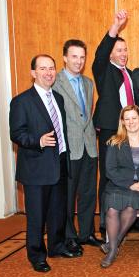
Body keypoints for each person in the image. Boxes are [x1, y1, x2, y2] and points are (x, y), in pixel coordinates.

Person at [9, 54, 81, 272]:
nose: (48, 73)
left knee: (57, 211)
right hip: (36, 167)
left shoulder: (58, 98)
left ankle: (56, 247)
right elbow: (17, 133)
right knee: (37, 216)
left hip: (59, 163)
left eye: (51, 68)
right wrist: (38, 141)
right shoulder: (21, 101)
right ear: (33, 73)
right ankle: (36, 255)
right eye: (43, 69)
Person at [53, 40, 102, 252]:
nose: (78, 61)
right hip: (69, 147)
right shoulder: (55, 82)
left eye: (82, 57)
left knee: (88, 193)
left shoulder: (88, 83)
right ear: (65, 58)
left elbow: (86, 115)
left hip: (89, 146)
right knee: (68, 195)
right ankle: (69, 236)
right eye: (74, 56)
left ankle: (86, 233)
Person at [92, 10, 135, 235]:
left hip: (130, 130)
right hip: (111, 129)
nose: (123, 53)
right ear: (110, 53)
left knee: (127, 173)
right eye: (118, 50)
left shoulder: (129, 74)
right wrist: (115, 28)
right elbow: (100, 54)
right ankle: (104, 224)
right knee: (109, 174)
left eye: (125, 49)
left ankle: (124, 217)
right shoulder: (104, 70)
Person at [100, 105, 139, 268]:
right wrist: (130, 185)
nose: (131, 122)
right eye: (127, 119)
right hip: (118, 185)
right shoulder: (115, 142)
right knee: (112, 208)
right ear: (122, 122)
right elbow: (110, 170)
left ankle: (113, 244)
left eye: (134, 118)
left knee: (131, 208)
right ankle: (113, 250)